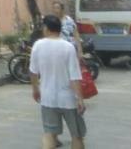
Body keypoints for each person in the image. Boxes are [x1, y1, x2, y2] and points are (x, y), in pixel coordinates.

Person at [29, 14, 87, 149]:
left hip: (48, 98)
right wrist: (80, 99)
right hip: (68, 99)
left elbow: (33, 72)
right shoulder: (68, 47)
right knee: (76, 135)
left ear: (46, 28)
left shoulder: (37, 46)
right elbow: (74, 76)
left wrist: (35, 90)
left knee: (49, 134)